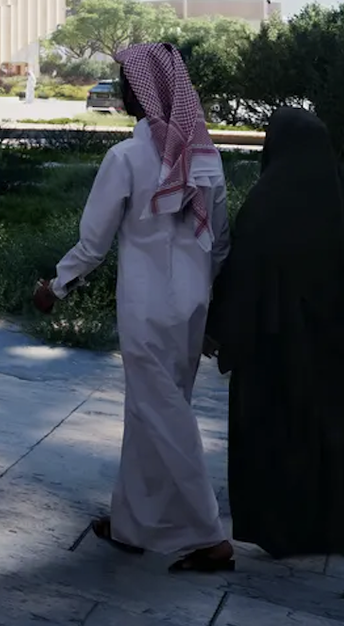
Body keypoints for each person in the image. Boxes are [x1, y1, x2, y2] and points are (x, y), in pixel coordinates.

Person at [33, 41, 234, 574]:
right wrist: (204, 295)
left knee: (162, 415)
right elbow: (219, 243)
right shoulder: (206, 159)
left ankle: (210, 537)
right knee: (152, 412)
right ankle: (135, 523)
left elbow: (94, 242)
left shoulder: (125, 158)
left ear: (137, 95)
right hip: (191, 305)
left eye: (125, 81)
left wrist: (57, 285)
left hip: (147, 308)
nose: (122, 89)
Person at [209, 108, 344, 558]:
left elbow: (237, 276)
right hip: (327, 349)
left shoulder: (265, 207)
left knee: (276, 435)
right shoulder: (343, 202)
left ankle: (283, 532)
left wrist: (221, 331)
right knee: (327, 428)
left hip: (271, 354)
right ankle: (335, 527)